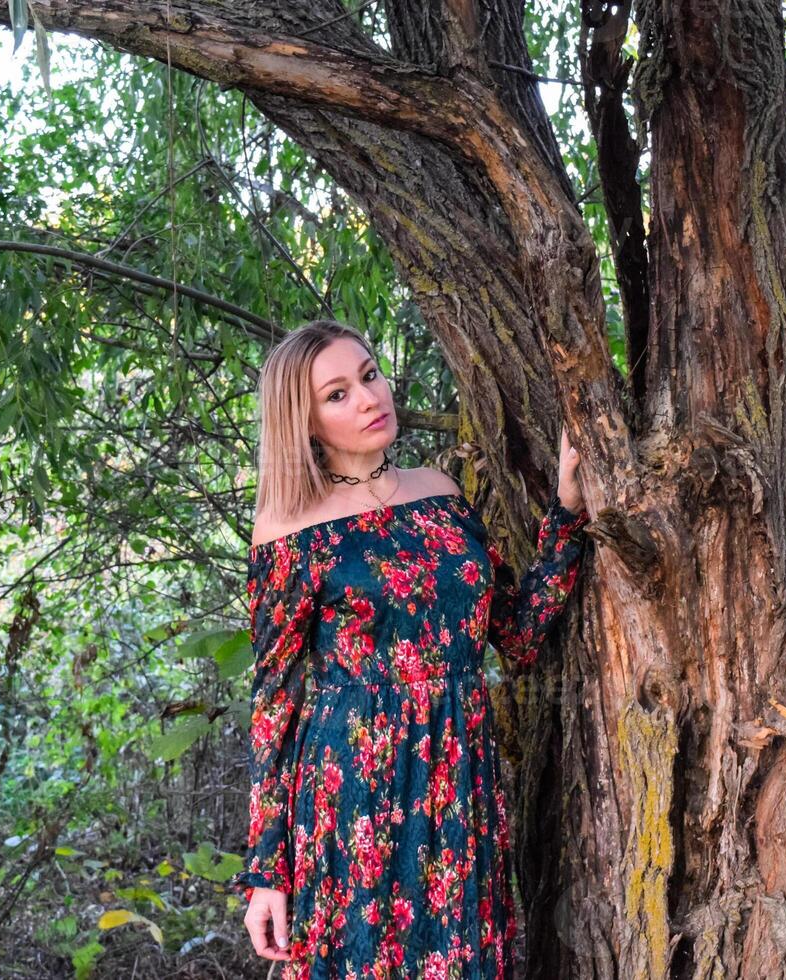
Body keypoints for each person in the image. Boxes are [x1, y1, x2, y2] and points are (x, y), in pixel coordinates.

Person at [232, 319, 590, 978]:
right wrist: (265, 873)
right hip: (354, 791)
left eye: (369, 376)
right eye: (336, 394)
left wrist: (567, 514)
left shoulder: (442, 495)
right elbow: (273, 705)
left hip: (459, 781)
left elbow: (517, 633)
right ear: (305, 422)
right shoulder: (289, 528)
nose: (369, 399)